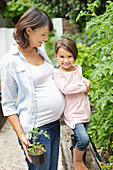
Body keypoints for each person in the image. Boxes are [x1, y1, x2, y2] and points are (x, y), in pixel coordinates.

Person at [0, 7, 65, 170]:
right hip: (36, 131)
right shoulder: (9, 61)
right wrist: (21, 134)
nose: (47, 38)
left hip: (54, 125)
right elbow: (7, 104)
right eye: (43, 34)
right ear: (28, 30)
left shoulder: (40, 50)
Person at [53, 38, 91, 170]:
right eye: (62, 56)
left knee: (79, 140)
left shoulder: (77, 68)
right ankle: (77, 161)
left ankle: (78, 165)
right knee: (84, 140)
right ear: (56, 56)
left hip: (84, 110)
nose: (66, 60)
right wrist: (83, 87)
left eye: (70, 56)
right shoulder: (58, 73)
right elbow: (66, 89)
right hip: (73, 113)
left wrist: (87, 82)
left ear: (74, 56)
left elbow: (81, 80)